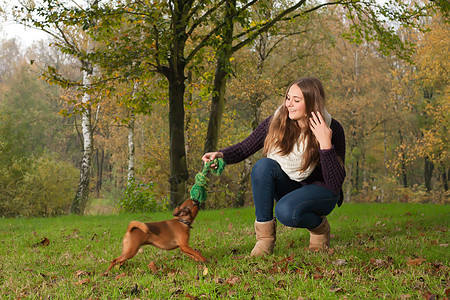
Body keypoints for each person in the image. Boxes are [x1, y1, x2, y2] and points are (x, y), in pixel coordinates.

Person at [202, 77, 346, 255]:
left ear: (311, 103)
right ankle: (265, 240)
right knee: (263, 166)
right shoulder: (278, 121)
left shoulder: (332, 128)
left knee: (286, 212)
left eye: (296, 100)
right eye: (287, 98)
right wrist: (222, 155)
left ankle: (319, 228)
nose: (289, 104)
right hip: (293, 186)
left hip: (322, 192)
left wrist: (325, 144)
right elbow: (246, 147)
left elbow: (334, 184)